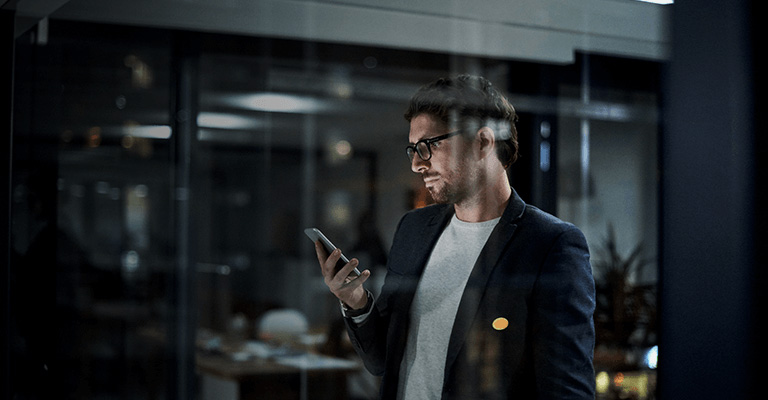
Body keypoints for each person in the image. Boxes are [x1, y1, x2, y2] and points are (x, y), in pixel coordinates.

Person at [314, 75, 595, 399]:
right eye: (412, 150)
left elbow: (567, 392)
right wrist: (356, 303)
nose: (417, 164)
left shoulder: (551, 245)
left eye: (428, 146)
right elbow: (383, 362)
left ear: (483, 143)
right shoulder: (413, 229)